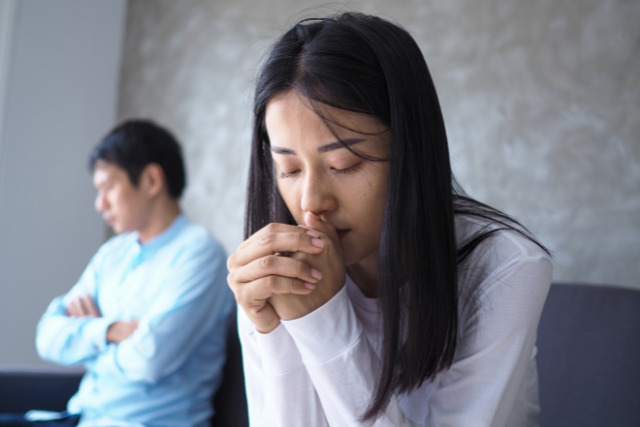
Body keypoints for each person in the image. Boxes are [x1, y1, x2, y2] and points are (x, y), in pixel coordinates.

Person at [227, 12, 552, 427]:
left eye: (344, 164)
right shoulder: (270, 270)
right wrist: (277, 332)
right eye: (289, 170)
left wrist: (322, 318)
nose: (311, 203)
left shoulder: (503, 269)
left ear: (410, 153)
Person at [28, 120, 233, 426]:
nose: (100, 204)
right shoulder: (113, 254)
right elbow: (47, 337)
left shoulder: (199, 253)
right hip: (80, 417)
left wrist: (87, 344)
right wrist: (109, 331)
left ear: (151, 180)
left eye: (108, 188)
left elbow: (149, 360)